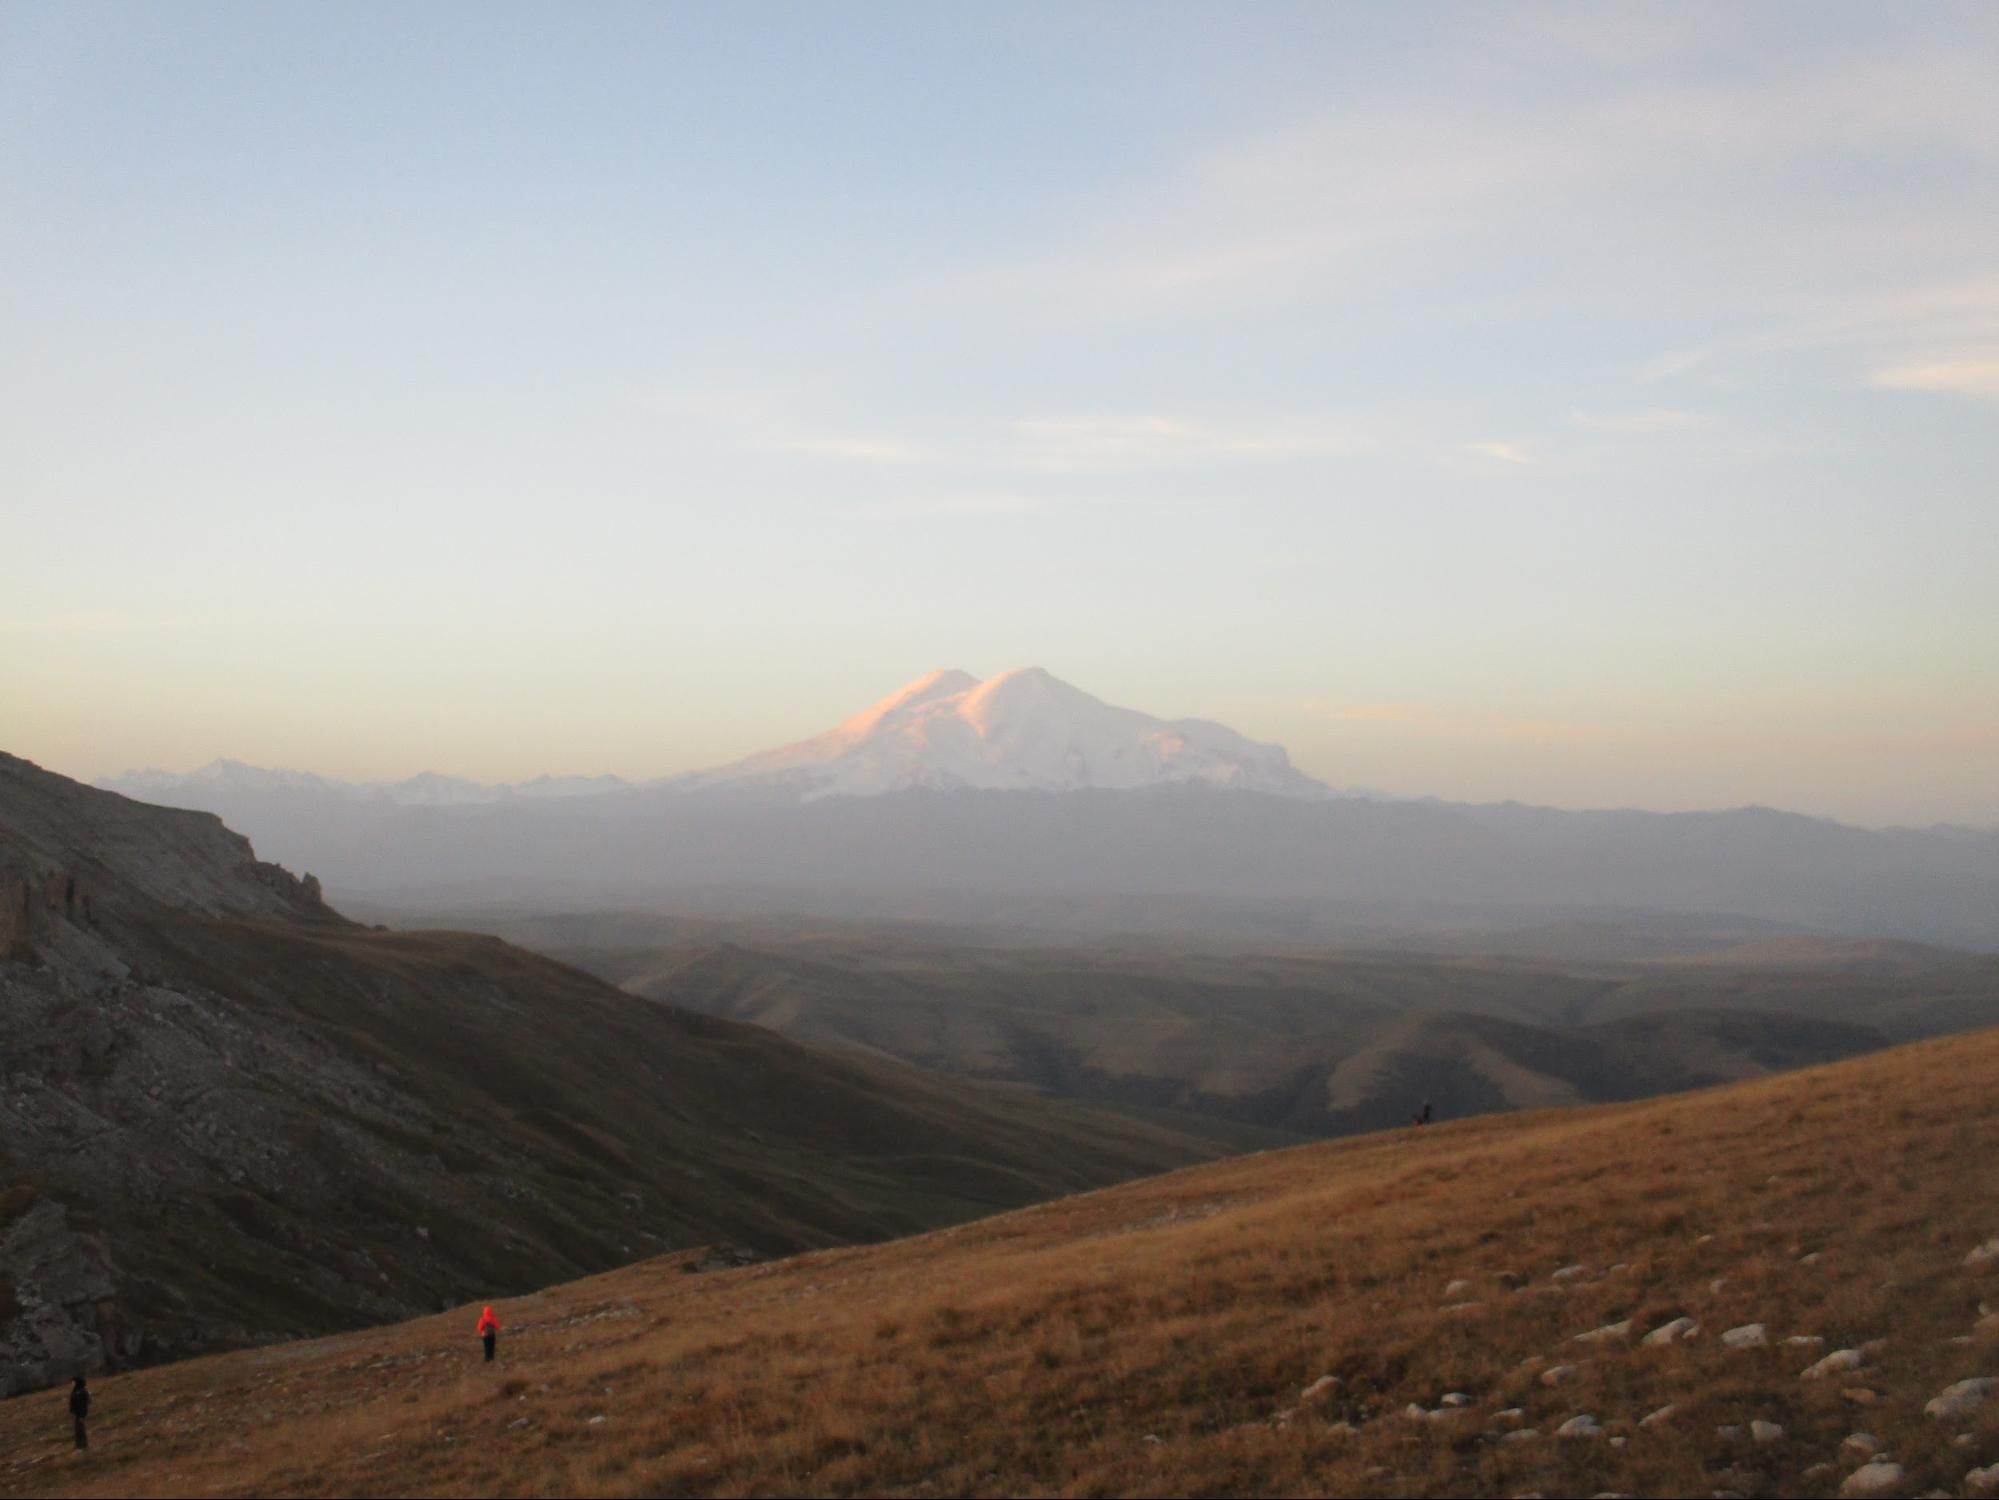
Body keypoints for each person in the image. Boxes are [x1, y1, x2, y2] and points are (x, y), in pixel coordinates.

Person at [69, 1375, 90, 1450]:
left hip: (81, 1414)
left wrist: (82, 1415)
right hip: (76, 1414)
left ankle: (83, 1445)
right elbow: (72, 1402)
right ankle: (78, 1445)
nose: (72, 1383)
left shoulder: (82, 1392)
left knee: (81, 1430)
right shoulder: (74, 1391)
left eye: (73, 1382)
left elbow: (84, 1404)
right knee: (77, 1430)